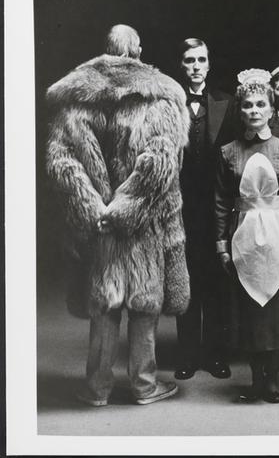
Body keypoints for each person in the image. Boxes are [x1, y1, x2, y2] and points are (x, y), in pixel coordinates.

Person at [46, 24, 190, 406]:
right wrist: (125, 208)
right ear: (137, 50)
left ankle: (96, 388)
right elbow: (159, 163)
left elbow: (62, 164)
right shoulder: (159, 97)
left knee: (104, 305)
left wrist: (96, 209)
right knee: (144, 306)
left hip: (100, 229)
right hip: (143, 226)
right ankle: (144, 385)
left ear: (107, 49)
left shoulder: (75, 99)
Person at [214, 69, 279, 404]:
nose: (254, 110)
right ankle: (256, 379)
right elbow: (221, 200)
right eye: (248, 105)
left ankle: (272, 380)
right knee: (250, 310)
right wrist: (222, 246)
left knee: (276, 310)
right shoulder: (228, 152)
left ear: (271, 109)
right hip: (243, 237)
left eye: (260, 105)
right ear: (240, 111)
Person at [175, 38, 238, 380]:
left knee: (216, 282)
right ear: (181, 65)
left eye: (201, 60)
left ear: (209, 64)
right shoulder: (170, 103)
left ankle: (216, 354)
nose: (196, 66)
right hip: (181, 207)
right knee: (186, 280)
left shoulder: (227, 102)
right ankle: (186, 355)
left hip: (218, 206)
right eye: (189, 60)